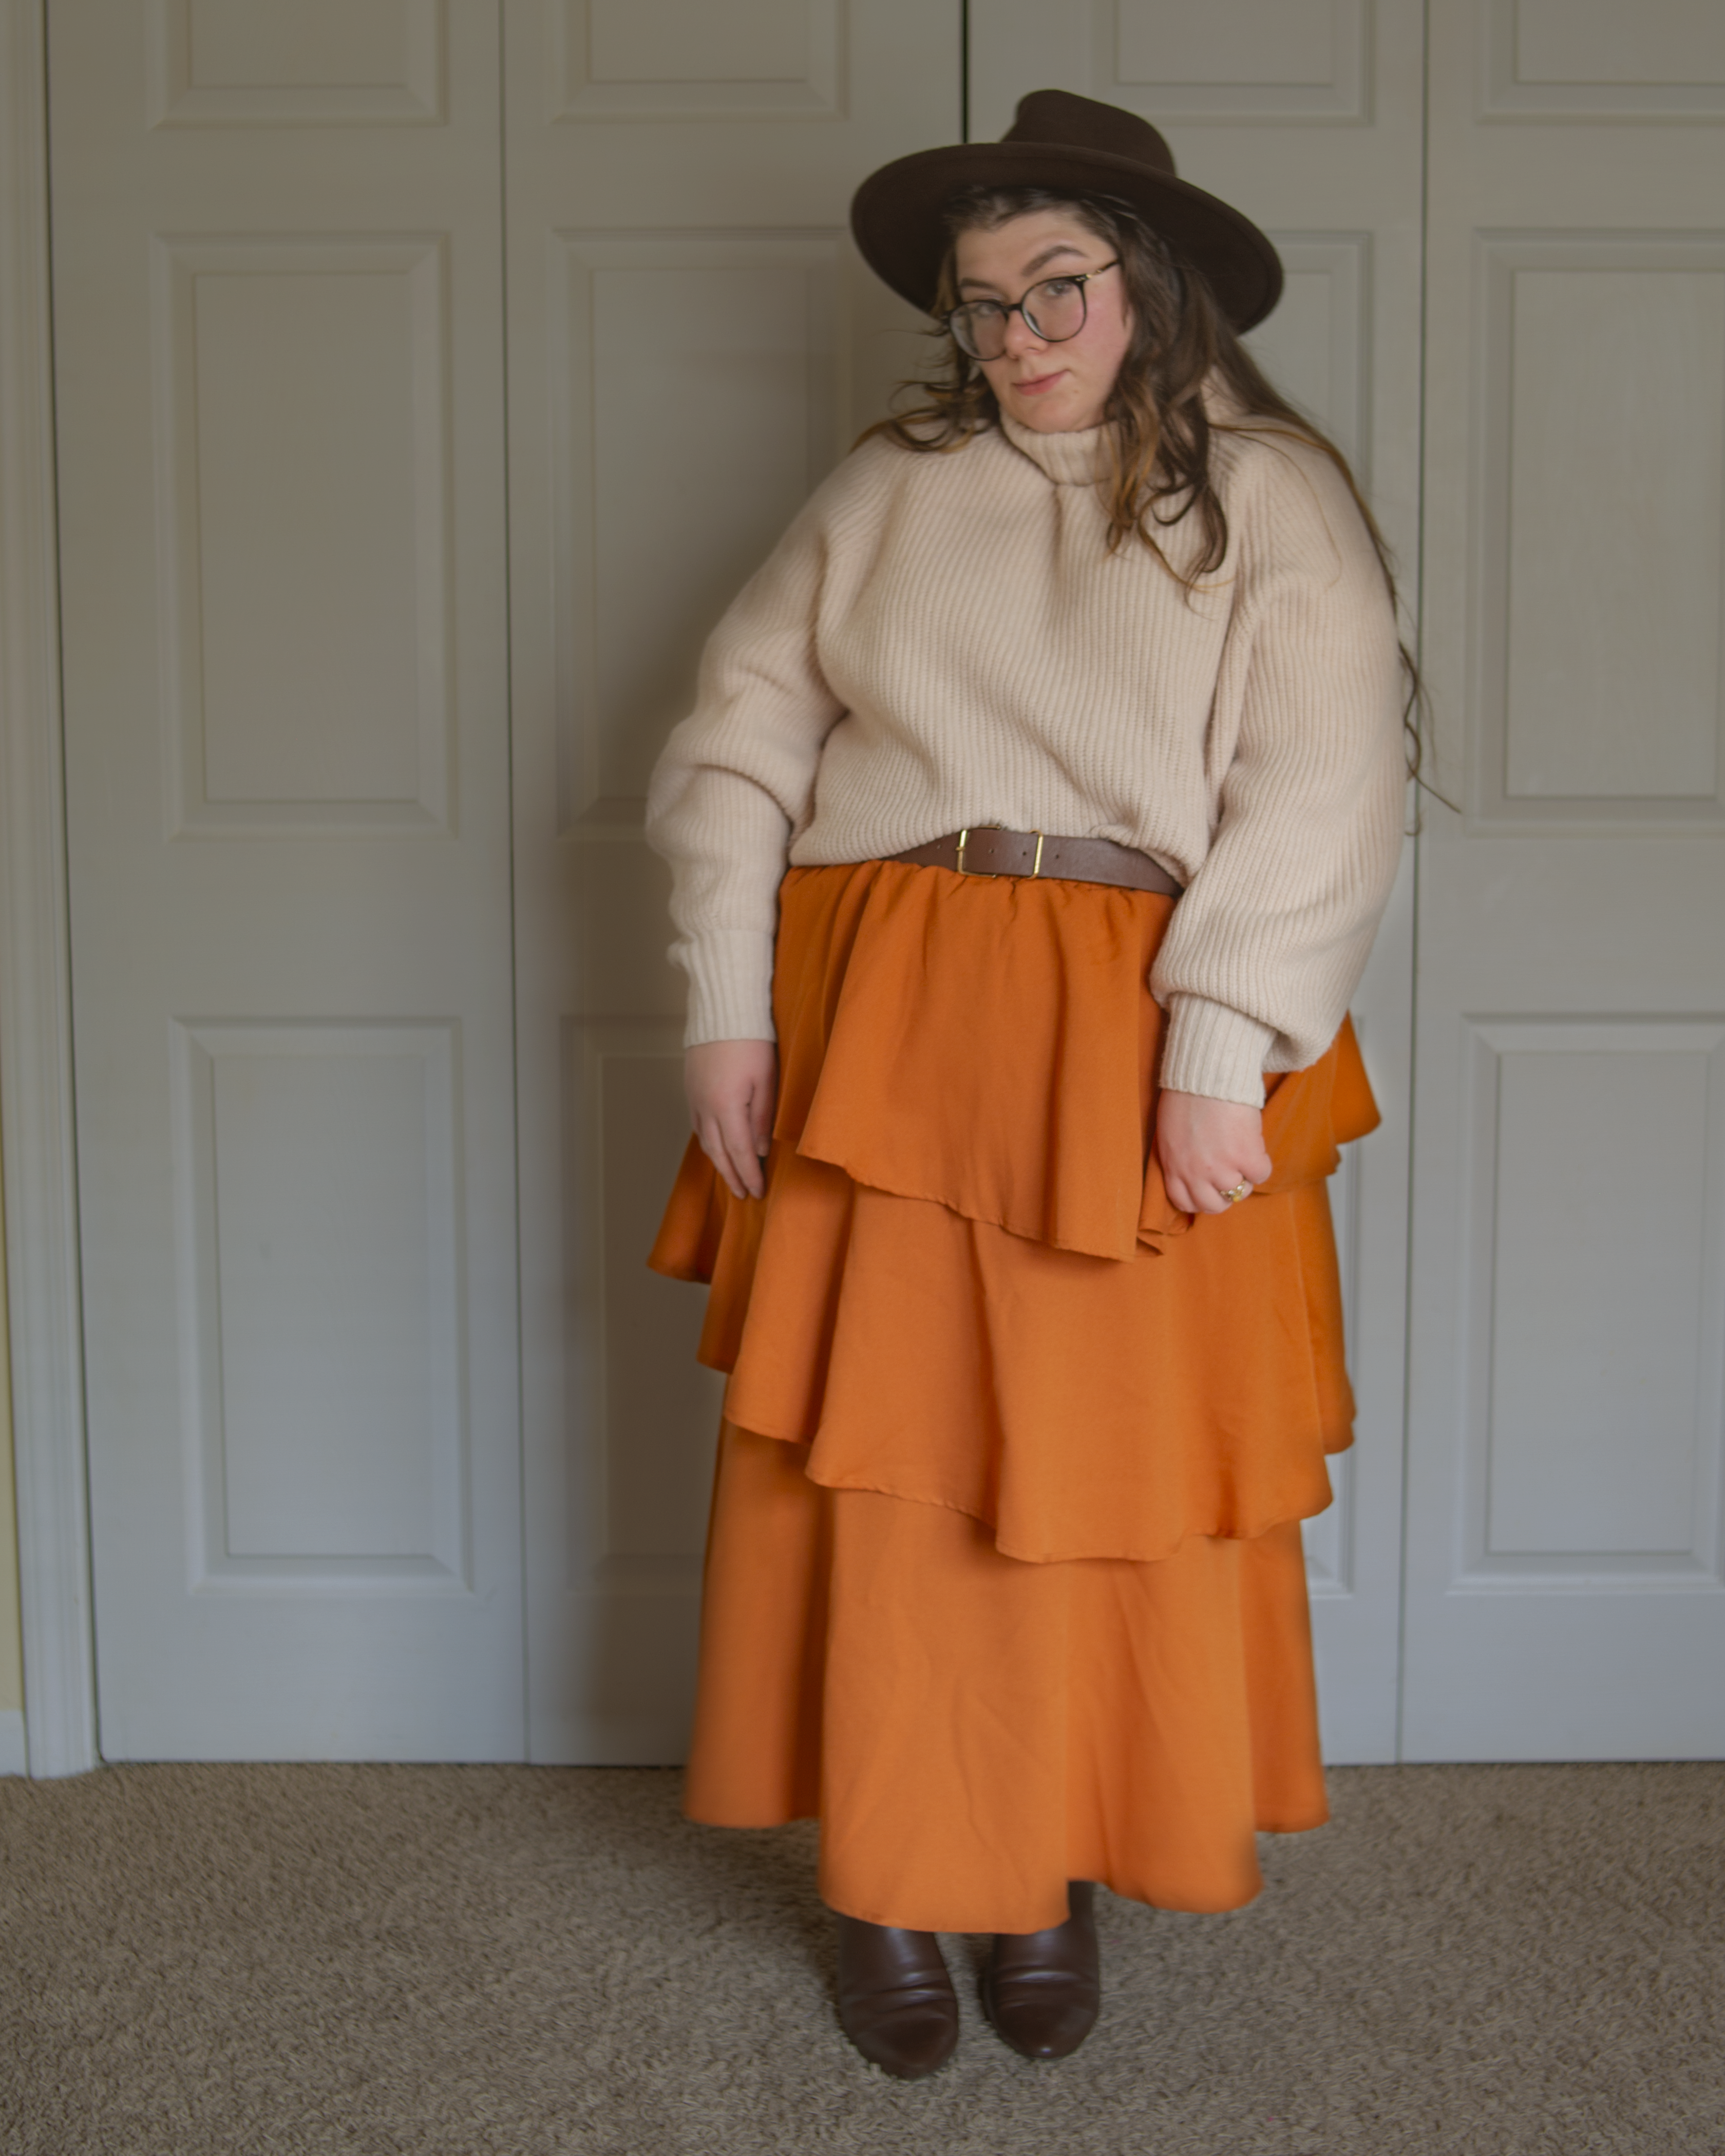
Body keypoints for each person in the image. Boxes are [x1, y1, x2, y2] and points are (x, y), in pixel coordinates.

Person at [644, 88, 1408, 2079]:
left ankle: (1043, 1863)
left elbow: (1321, 796)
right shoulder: (889, 485)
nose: (1012, 336)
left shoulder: (1269, 497)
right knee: (884, 1483)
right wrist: (728, 1004)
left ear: (1147, 288)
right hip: (884, 1019)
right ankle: (886, 1878)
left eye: (1054, 287)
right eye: (980, 303)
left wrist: (1221, 1050)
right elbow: (739, 743)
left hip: (1130, 1023)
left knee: (1082, 1488)